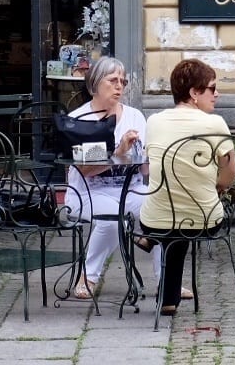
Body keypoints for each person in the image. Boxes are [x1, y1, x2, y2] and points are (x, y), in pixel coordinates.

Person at [138, 59, 235, 316]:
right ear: (194, 93)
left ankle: (167, 295)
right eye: (211, 89)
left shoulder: (154, 121)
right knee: (187, 218)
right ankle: (168, 297)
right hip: (204, 218)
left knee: (173, 223)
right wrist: (217, 189)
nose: (217, 94)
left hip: (156, 219)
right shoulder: (215, 124)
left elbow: (150, 169)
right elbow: (231, 172)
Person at [63, 56, 162, 299]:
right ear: (95, 83)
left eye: (123, 81)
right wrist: (118, 152)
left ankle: (166, 281)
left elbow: (144, 170)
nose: (119, 86)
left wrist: (154, 154)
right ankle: (89, 276)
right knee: (112, 218)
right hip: (88, 193)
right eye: (113, 80)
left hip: (131, 190)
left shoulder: (135, 116)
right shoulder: (80, 120)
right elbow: (85, 169)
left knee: (163, 212)